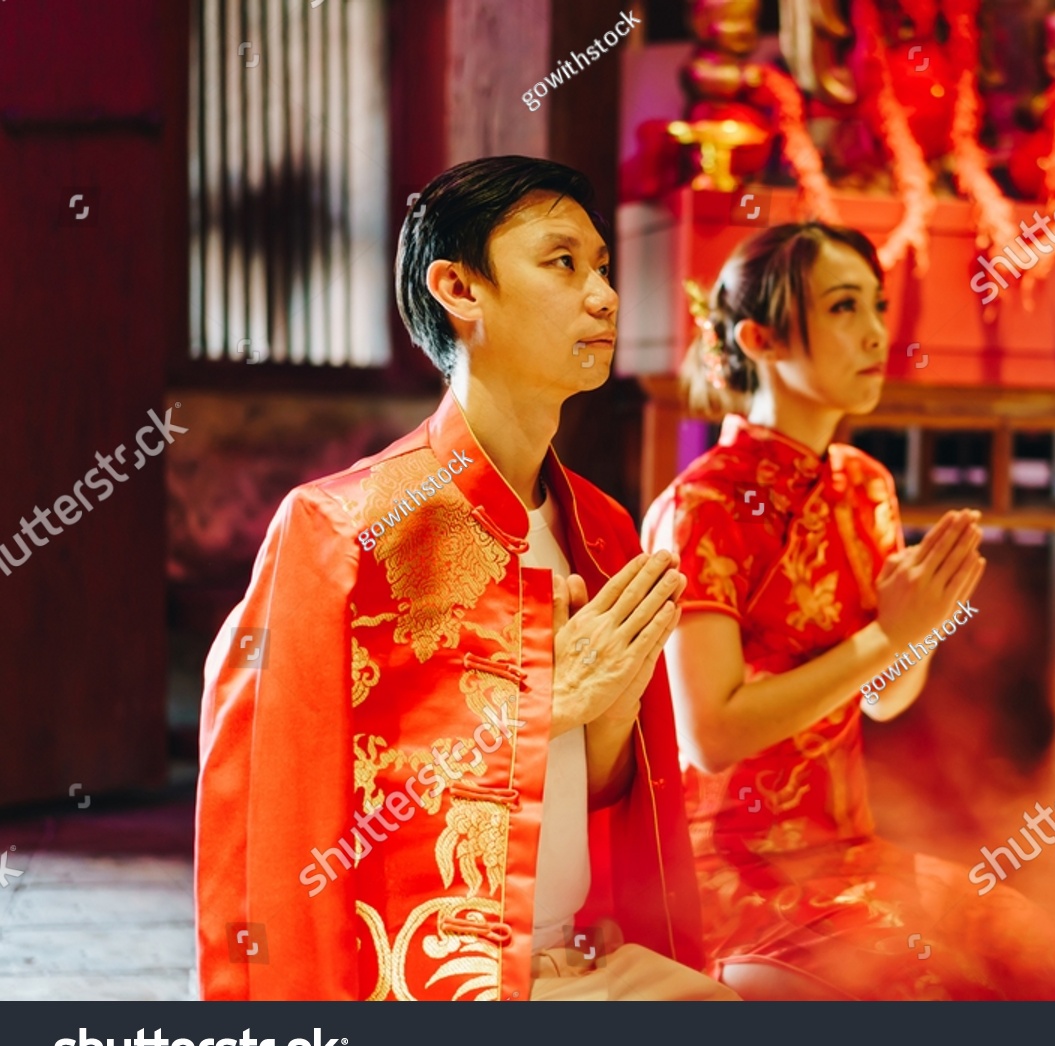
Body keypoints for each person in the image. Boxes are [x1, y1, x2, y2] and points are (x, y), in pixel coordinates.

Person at [196, 155, 734, 1001]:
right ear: (459, 287)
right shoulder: (342, 529)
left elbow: (597, 793)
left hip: (568, 952)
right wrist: (552, 694)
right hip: (425, 976)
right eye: (563, 262)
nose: (604, 295)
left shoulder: (601, 528)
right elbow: (276, 812)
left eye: (602, 267)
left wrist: (606, 705)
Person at [641, 222, 1055, 1000]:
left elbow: (885, 694)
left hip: (850, 851)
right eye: (841, 308)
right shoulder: (701, 506)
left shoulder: (865, 485)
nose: (874, 332)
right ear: (760, 338)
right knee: (939, 994)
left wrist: (920, 627)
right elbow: (711, 733)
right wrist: (890, 633)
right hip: (735, 872)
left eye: (876, 305)